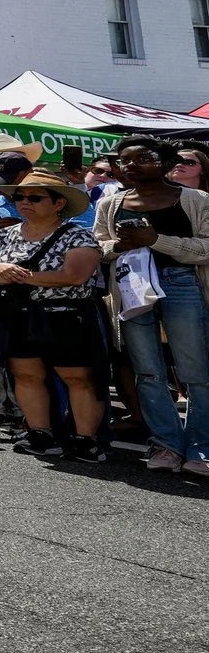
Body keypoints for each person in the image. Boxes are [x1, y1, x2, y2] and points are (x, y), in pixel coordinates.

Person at [93, 137, 209, 475]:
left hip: (183, 283)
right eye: (124, 160)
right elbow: (98, 248)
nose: (130, 165)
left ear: (165, 162)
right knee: (147, 370)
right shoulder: (110, 204)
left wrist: (156, 240)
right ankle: (166, 444)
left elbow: (206, 247)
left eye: (142, 158)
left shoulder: (196, 199)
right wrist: (119, 244)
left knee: (196, 372)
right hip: (131, 286)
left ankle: (201, 447)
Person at [0, 170, 109, 460]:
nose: (25, 202)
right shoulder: (2, 235)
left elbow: (74, 276)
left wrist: (19, 276)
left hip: (65, 314)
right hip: (17, 315)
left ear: (59, 203)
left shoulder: (78, 235)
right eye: (20, 196)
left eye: (35, 197)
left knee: (78, 377)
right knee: (26, 375)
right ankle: (40, 433)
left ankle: (86, 440)